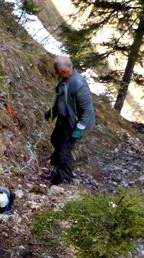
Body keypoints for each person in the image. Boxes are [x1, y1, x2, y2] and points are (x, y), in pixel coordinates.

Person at [44, 55, 95, 185]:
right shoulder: (65, 80)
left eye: (57, 71)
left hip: (74, 124)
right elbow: (62, 98)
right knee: (55, 139)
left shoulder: (79, 85)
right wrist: (52, 112)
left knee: (64, 151)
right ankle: (56, 168)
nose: (56, 73)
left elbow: (87, 110)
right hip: (63, 119)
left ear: (65, 70)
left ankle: (64, 178)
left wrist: (79, 129)